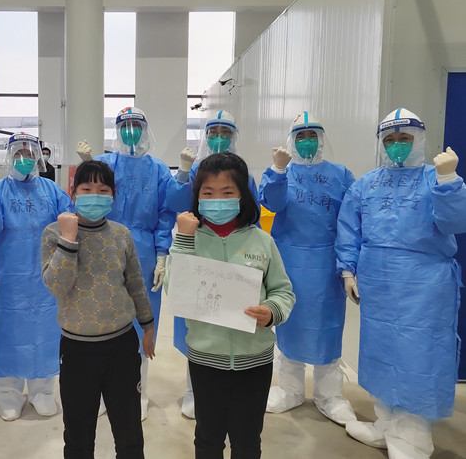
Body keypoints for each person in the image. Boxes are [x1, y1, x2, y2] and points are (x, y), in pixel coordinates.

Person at [335, 108, 466, 459]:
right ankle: (385, 424)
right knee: (380, 354)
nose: (396, 145)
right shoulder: (367, 184)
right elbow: (349, 229)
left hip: (423, 286)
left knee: (416, 356)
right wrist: (347, 271)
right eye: (390, 140)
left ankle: (412, 438)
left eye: (404, 138)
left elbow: (456, 222)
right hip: (377, 282)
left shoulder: (435, 177)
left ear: (419, 139)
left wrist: (449, 180)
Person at [165, 152, 295, 459]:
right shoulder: (190, 239)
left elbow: (283, 291)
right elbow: (176, 289)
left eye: (227, 192)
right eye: (208, 193)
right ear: (197, 197)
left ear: (241, 196)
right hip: (206, 359)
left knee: (247, 440)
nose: (217, 201)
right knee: (208, 438)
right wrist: (183, 239)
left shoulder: (261, 241)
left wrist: (271, 311)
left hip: (255, 360)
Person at [41, 159, 155, 459]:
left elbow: (135, 283)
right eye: (87, 188)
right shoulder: (53, 233)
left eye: (103, 190)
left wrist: (148, 325)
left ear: (113, 195)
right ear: (73, 192)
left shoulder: (121, 234)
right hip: (77, 349)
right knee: (78, 435)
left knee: (129, 432)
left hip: (121, 345)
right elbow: (57, 285)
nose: (95, 195)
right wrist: (69, 239)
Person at [76, 106, 175, 420]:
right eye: (125, 125)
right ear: (116, 131)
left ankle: (137, 392)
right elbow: (84, 203)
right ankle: (101, 393)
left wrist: (162, 255)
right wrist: (87, 166)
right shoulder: (104, 163)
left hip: (143, 252)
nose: (130, 131)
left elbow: (165, 215)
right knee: (102, 322)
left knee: (139, 323)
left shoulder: (158, 169)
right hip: (102, 246)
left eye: (136, 125)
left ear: (145, 130)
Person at [258, 112, 357, 426]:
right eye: (300, 136)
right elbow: (271, 204)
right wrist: (278, 169)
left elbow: (351, 222)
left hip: (327, 261)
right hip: (289, 260)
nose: (306, 141)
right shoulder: (282, 173)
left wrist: (348, 267)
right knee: (290, 322)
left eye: (312, 135)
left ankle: (330, 395)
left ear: (322, 139)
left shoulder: (341, 174)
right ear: (291, 140)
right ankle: (290, 388)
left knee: (328, 326)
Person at [166, 109, 260, 419]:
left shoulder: (243, 174)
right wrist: (182, 173)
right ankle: (194, 390)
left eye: (225, 132)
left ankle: (232, 391)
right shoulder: (195, 171)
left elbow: (253, 214)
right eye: (213, 132)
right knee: (197, 323)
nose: (219, 137)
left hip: (235, 250)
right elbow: (174, 205)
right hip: (198, 245)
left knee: (232, 323)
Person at [0, 132, 72, 421]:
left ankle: (44, 391)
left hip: (45, 279)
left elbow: (69, 223)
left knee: (45, 333)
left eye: (29, 154)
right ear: (9, 156)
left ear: (38, 157)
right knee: (10, 334)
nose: (24, 159)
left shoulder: (51, 191)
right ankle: (7, 393)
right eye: (18, 153)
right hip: (10, 280)